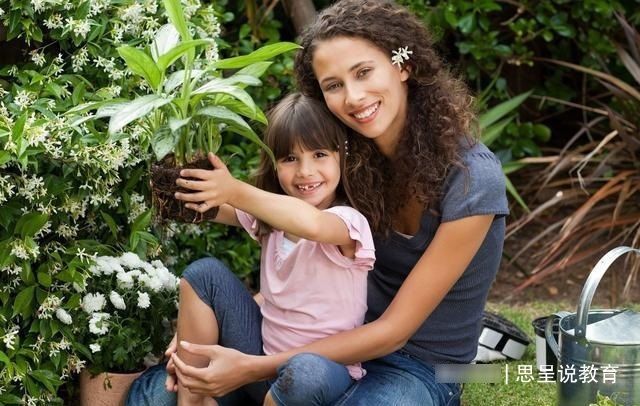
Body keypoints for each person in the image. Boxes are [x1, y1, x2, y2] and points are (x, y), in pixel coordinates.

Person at [129, 0, 509, 405]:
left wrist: (252, 366)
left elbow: (395, 331)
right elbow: (291, 239)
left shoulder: (473, 181)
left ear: (402, 66)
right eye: (333, 85)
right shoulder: (346, 158)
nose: (354, 97)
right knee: (154, 395)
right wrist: (196, 331)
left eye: (364, 72)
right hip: (326, 337)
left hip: (416, 363)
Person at [128, 93, 375, 406]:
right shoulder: (270, 221)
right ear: (274, 165)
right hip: (256, 363)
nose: (305, 171)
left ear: (342, 157)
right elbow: (212, 208)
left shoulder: (347, 224)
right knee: (203, 274)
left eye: (320, 154)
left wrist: (235, 189)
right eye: (290, 158)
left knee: (305, 372)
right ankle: (194, 400)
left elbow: (312, 225)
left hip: (322, 376)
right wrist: (181, 182)